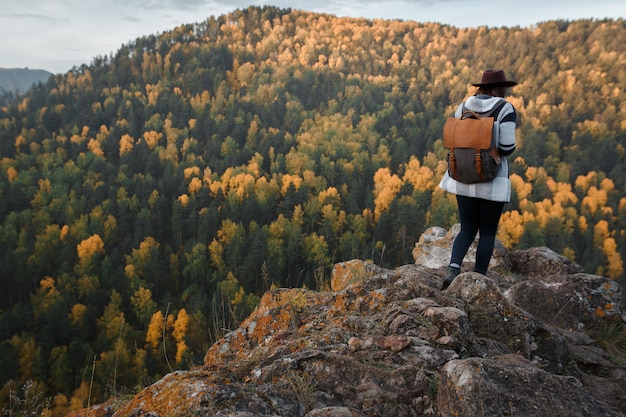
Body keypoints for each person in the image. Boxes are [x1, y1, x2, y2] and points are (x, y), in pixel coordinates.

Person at [438, 69, 518, 290]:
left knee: (466, 228)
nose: (505, 93)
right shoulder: (505, 109)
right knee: (488, 232)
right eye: (504, 89)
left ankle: (453, 268)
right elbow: (507, 147)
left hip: (463, 177)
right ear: (496, 89)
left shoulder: (464, 106)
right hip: (492, 182)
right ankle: (479, 277)